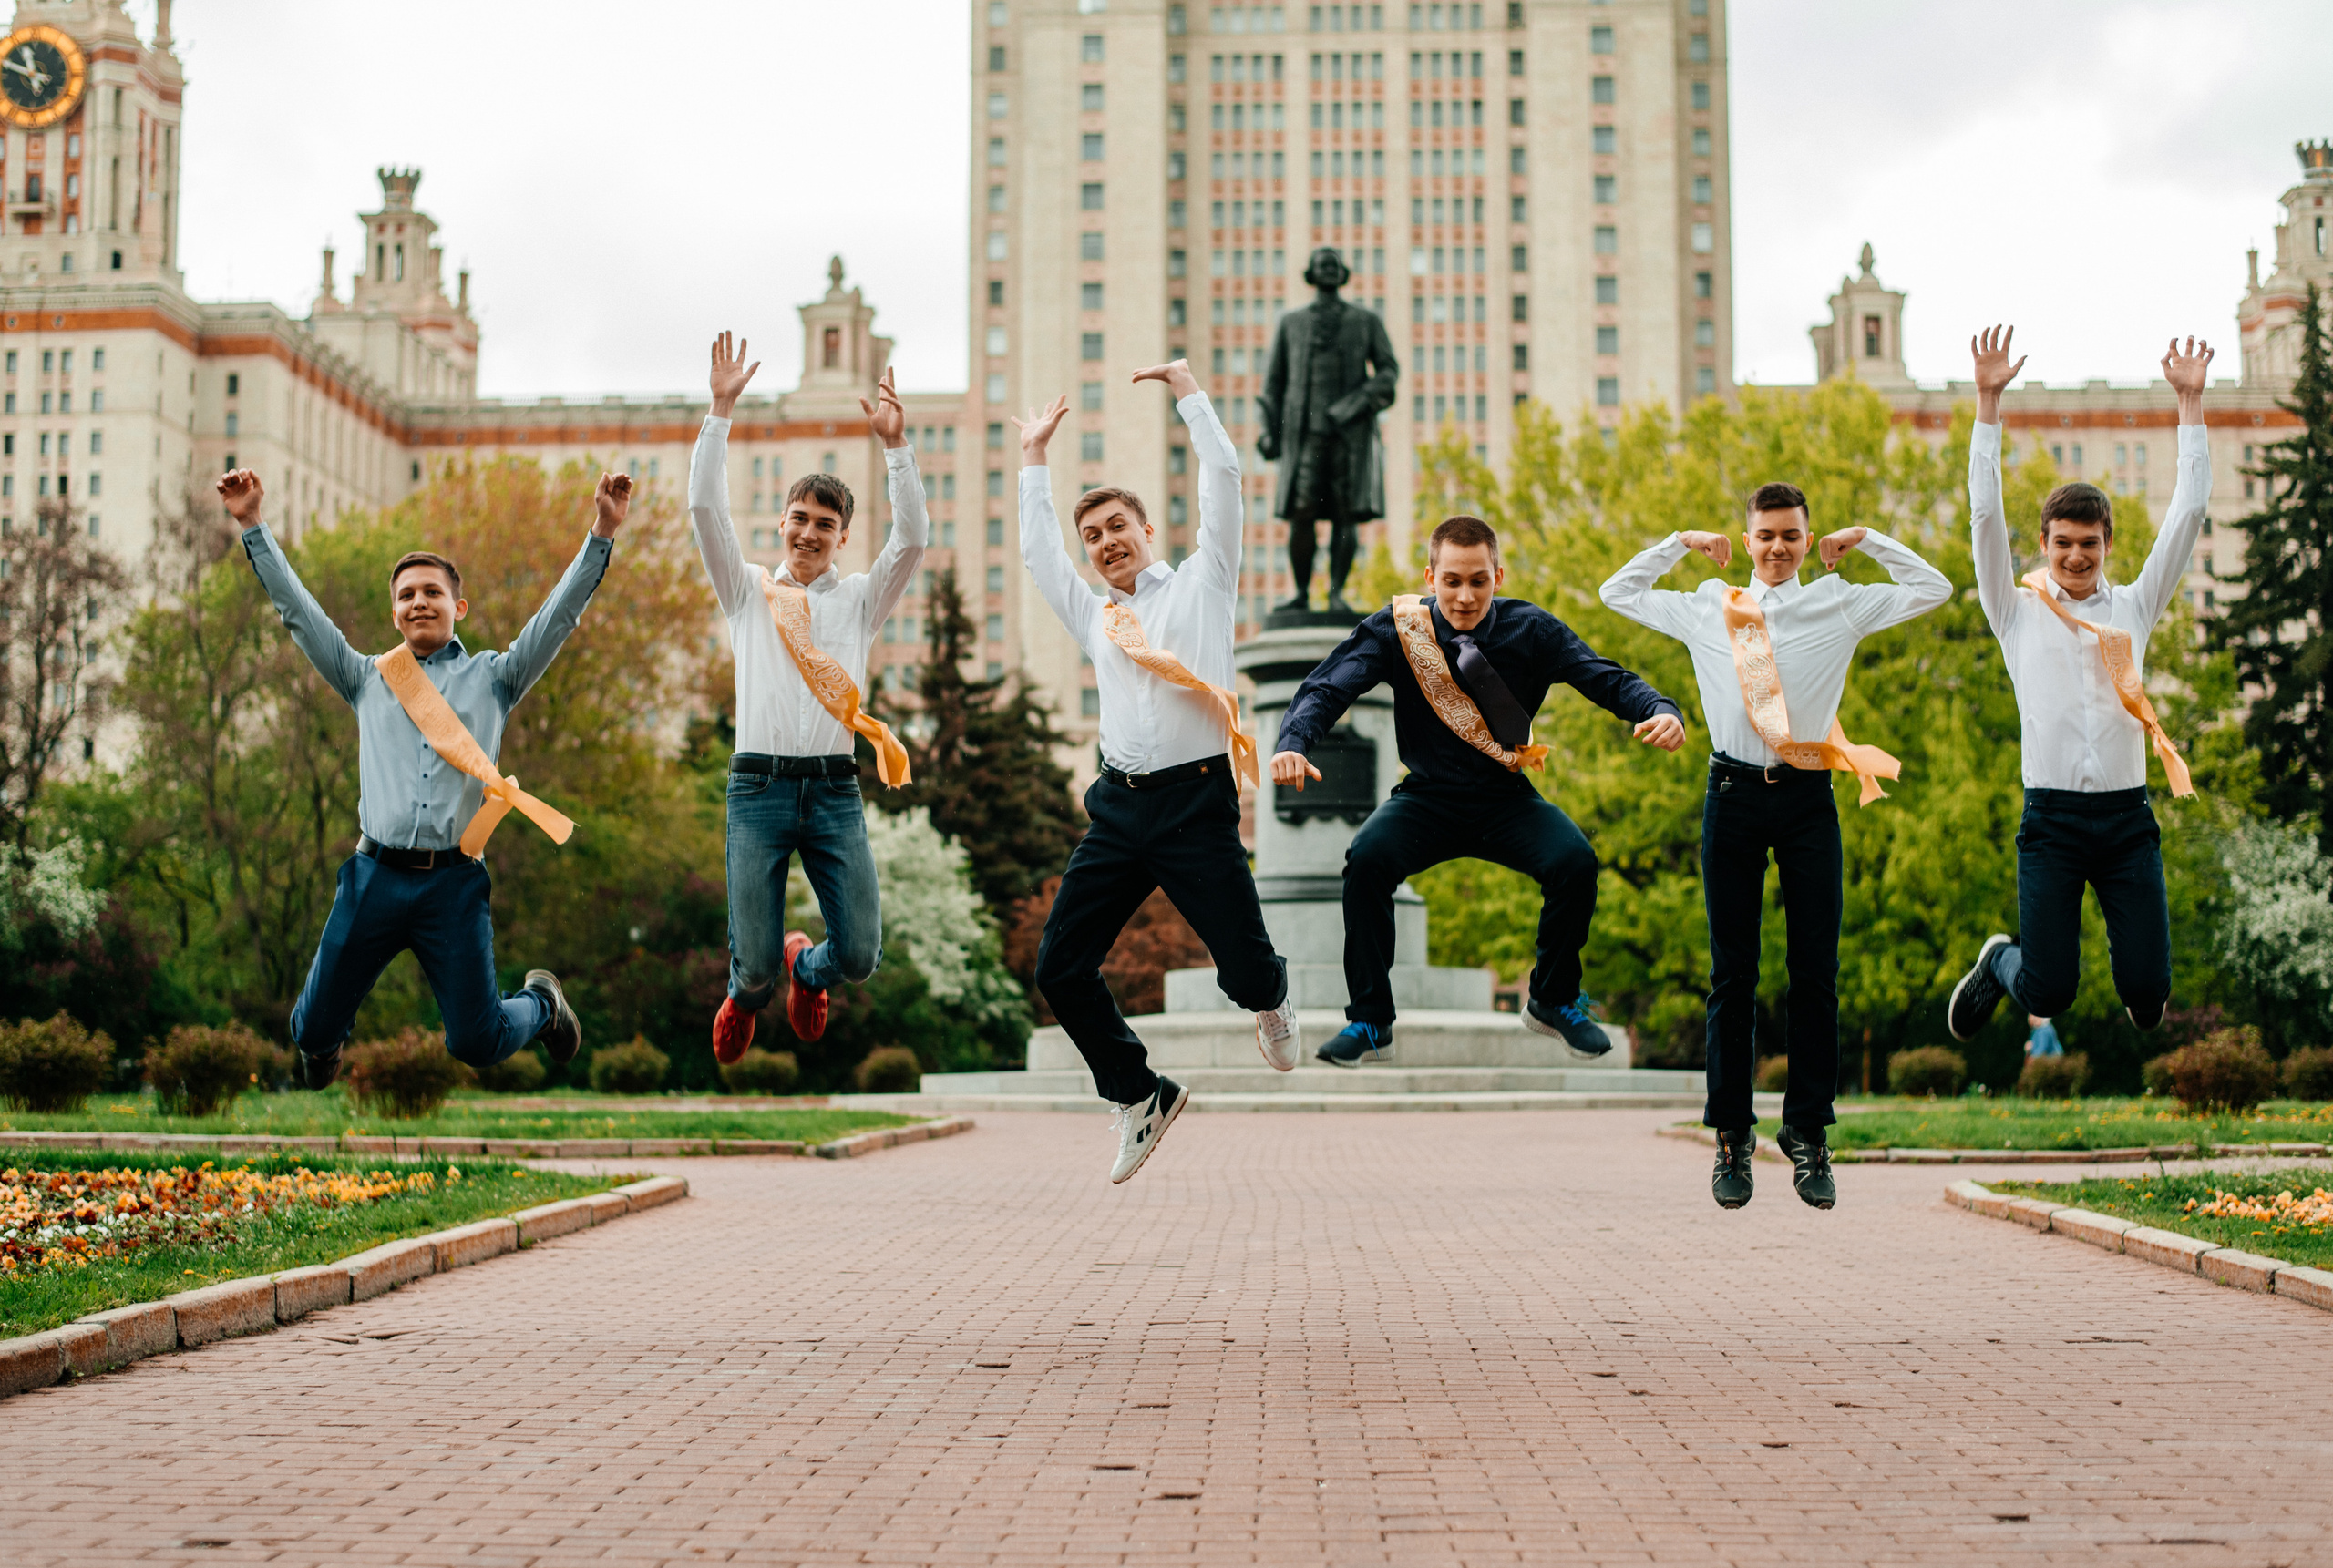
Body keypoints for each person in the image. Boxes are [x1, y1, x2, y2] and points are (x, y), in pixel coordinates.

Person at [221, 465, 629, 1088]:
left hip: (452, 886)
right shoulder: (365, 677)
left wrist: (601, 530)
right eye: (407, 593)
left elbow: (558, 618)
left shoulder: (497, 676)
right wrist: (252, 523)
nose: (419, 601)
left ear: (457, 606)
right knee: (309, 1032)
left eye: (432, 592)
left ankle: (543, 1003)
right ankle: (322, 1043)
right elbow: (296, 611)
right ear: (393, 613)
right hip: (374, 876)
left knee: (478, 1039)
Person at [1599, 488, 1949, 1211]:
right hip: (1730, 796)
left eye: (1791, 535)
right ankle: (1732, 1136)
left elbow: (1933, 587)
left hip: (1808, 798)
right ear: (1748, 537)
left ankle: (1809, 1134)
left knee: (1815, 970)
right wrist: (1681, 539)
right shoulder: (1709, 605)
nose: (1778, 548)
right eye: (1765, 535)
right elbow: (1617, 591)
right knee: (1733, 973)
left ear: (1808, 535)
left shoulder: (1840, 602)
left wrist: (1870, 537)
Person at [1015, 358, 1300, 1184]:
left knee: (1244, 971)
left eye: (1117, 527)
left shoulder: (1204, 585)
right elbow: (1038, 557)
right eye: (1093, 536)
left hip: (1196, 808)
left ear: (1146, 528)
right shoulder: (1097, 614)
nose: (1106, 543)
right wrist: (1035, 459)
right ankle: (1139, 1094)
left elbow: (1226, 478)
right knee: (1058, 969)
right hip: (1117, 813)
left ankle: (1272, 997)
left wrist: (1189, 395)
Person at [1271, 516, 1686, 1070]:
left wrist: (1659, 709)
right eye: (1451, 581)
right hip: (1427, 799)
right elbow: (1327, 686)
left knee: (1575, 862)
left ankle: (1553, 998)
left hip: (1504, 798)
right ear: (1430, 576)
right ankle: (1370, 1020)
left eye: (1478, 581)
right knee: (1366, 860)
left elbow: (1603, 676)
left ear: (1497, 575)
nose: (1464, 596)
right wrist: (1295, 740)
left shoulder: (1531, 629)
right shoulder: (1397, 629)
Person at [1946, 327, 2215, 1047]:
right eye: (2062, 542)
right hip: (2053, 825)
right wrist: (1986, 404)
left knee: (2149, 996)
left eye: (2088, 544)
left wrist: (2190, 404)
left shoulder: (2133, 606)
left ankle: (2140, 986)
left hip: (2128, 822)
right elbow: (1982, 514)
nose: (2075, 555)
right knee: (2050, 988)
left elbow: (2187, 515)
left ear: (2107, 545)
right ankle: (2000, 959)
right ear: (2044, 543)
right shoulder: (2014, 609)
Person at [691, 333, 924, 1066]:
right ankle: (750, 987)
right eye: (799, 518)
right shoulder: (748, 592)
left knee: (858, 954)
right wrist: (721, 409)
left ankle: (807, 969)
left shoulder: (859, 601)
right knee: (751, 968)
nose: (809, 532)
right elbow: (703, 507)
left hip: (832, 790)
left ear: (842, 538)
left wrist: (896, 449)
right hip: (756, 787)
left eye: (825, 524)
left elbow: (913, 538)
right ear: (782, 523)